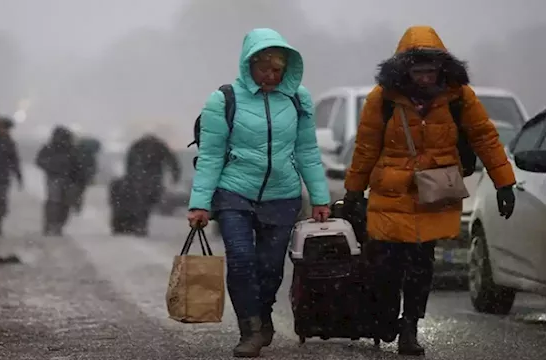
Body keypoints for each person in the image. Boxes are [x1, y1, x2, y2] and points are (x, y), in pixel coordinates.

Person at [342, 25, 516, 356]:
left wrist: (503, 181)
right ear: (404, 69)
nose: (424, 78)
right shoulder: (383, 101)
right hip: (390, 193)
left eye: (430, 70)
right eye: (417, 70)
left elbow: (485, 137)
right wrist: (353, 192)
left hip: (433, 193)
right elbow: (365, 149)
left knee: (421, 266)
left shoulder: (459, 97)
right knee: (387, 266)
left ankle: (410, 327)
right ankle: (386, 316)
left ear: (442, 68)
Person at [187, 28, 331, 358]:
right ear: (248, 65)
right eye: (264, 68)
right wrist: (200, 204)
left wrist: (320, 198)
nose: (270, 76)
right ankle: (250, 328)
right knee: (240, 260)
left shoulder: (298, 98)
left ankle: (262, 312)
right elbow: (210, 155)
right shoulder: (223, 100)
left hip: (283, 195)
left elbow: (307, 150)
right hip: (234, 192)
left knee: (270, 268)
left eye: (277, 70)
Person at [123, 132, 181, 235]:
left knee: (143, 201)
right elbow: (172, 161)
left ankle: (140, 224)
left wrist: (129, 175)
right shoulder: (157, 145)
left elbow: (129, 161)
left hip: (143, 177)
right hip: (149, 177)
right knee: (145, 201)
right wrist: (175, 175)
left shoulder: (139, 145)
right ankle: (141, 224)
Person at [35, 126, 83, 236]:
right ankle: (55, 225)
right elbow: (79, 166)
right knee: (59, 203)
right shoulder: (66, 149)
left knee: (57, 203)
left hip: (62, 178)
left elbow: (78, 165)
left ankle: (53, 224)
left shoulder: (54, 148)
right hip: (60, 178)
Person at [71, 136, 101, 214]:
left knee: (75, 190)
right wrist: (91, 176)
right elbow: (93, 167)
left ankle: (74, 203)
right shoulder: (91, 155)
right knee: (80, 191)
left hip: (75, 175)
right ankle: (77, 205)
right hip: (84, 176)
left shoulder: (76, 151)